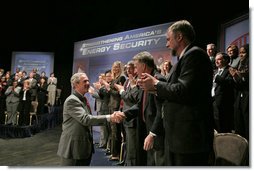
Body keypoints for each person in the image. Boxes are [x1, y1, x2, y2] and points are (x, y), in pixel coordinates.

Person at [137, 20, 214, 166]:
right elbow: (175, 91)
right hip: (179, 139)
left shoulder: (195, 55)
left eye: (168, 39)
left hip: (190, 140)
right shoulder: (184, 59)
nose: (167, 44)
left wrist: (156, 84)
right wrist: (154, 88)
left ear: (179, 37)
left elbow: (184, 91)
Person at [57, 72, 125, 166]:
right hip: (73, 150)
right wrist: (110, 117)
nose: (88, 83)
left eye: (88, 80)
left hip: (82, 149)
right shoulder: (72, 100)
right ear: (76, 84)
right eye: (84, 81)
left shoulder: (82, 99)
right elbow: (86, 119)